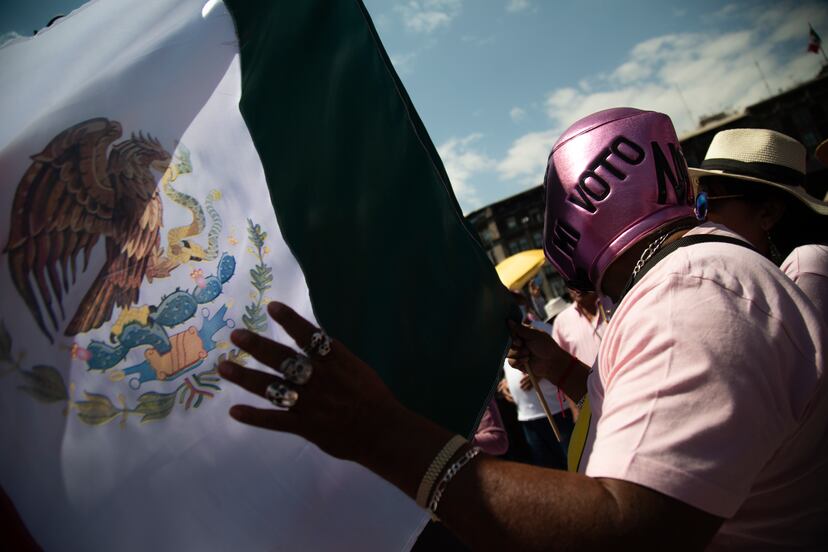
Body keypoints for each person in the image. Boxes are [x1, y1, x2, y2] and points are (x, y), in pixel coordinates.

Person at [218, 108, 827, 550]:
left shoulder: (691, 291)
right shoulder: (691, 284)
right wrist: (562, 369)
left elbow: (626, 529)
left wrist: (379, 433)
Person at [690, 128, 828, 322]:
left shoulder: (807, 267)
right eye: (697, 200)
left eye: (707, 199)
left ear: (768, 212)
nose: (698, 215)